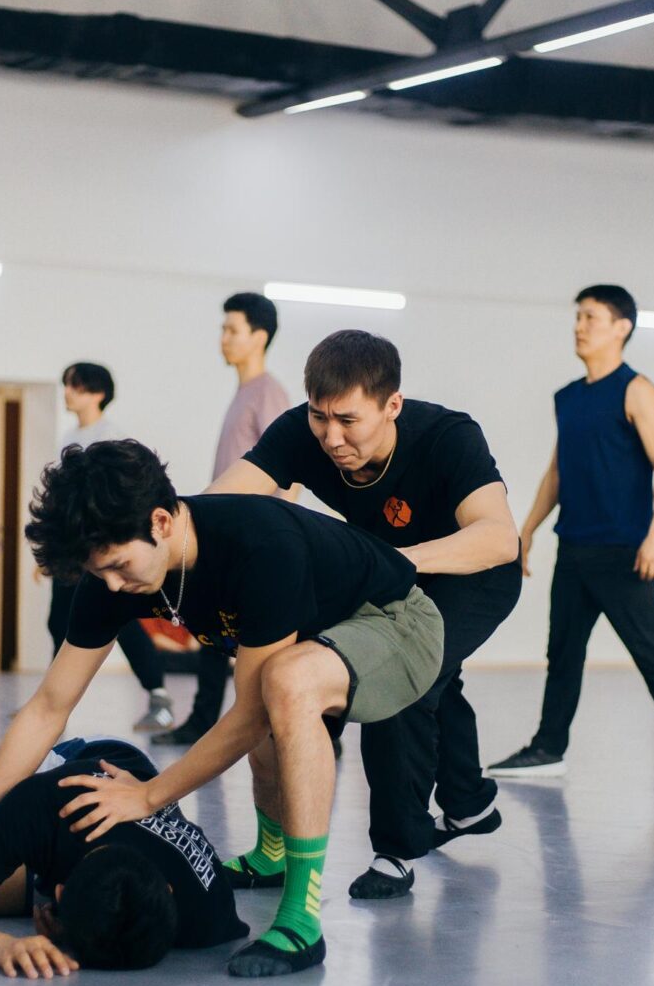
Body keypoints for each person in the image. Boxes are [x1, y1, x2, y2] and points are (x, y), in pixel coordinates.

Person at [0, 440, 443, 977]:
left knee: (283, 685)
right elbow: (47, 708)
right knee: (273, 686)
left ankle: (302, 918)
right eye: (100, 573)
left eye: (119, 566)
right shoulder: (116, 576)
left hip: (397, 624)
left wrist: (149, 795)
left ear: (162, 522)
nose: (113, 585)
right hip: (316, 636)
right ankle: (271, 855)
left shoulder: (260, 546)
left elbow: (249, 717)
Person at [211, 330, 520, 899]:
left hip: (473, 573)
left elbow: (500, 538)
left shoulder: (448, 437)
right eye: (320, 417)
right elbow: (222, 503)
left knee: (397, 681)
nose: (332, 438)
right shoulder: (302, 432)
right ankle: (470, 802)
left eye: (348, 421)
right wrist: (170, 537)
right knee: (436, 678)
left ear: (392, 405)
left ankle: (398, 850)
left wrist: (397, 561)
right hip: (389, 572)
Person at [490, 285, 654, 795]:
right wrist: (526, 530)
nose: (579, 326)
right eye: (578, 317)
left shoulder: (636, 390)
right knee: (562, 654)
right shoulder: (568, 398)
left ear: (621, 327)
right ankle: (548, 748)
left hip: (624, 553)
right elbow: (556, 473)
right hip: (574, 549)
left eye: (591, 317)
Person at [0, 738, 248, 976]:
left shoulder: (206, 913)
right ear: (57, 890)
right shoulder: (41, 805)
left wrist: (69, 928)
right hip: (86, 757)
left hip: (120, 798)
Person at [154, 292, 295, 748]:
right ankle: (201, 722)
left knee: (258, 636)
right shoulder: (245, 392)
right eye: (223, 329)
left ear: (259, 336)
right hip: (228, 532)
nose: (224, 338)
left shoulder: (269, 392)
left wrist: (282, 532)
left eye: (232, 329)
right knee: (214, 629)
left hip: (255, 537)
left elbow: (291, 468)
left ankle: (313, 729)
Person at [47, 361, 174, 733]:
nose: (68, 393)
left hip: (102, 551)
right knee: (58, 620)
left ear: (98, 394)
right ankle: (53, 700)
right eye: (67, 385)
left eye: (76, 386)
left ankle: (159, 696)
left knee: (123, 623)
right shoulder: (69, 435)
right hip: (76, 550)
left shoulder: (110, 437)